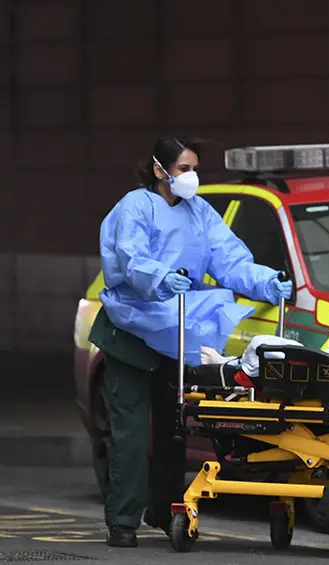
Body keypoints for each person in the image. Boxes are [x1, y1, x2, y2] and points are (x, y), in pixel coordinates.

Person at [88, 136, 292, 548]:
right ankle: (123, 520)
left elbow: (230, 259)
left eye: (195, 168)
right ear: (159, 170)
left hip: (173, 331)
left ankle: (165, 511)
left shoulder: (199, 213)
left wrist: (267, 282)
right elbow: (131, 257)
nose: (192, 176)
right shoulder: (135, 207)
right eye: (184, 168)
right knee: (130, 435)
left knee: (174, 430)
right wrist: (161, 279)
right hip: (131, 331)